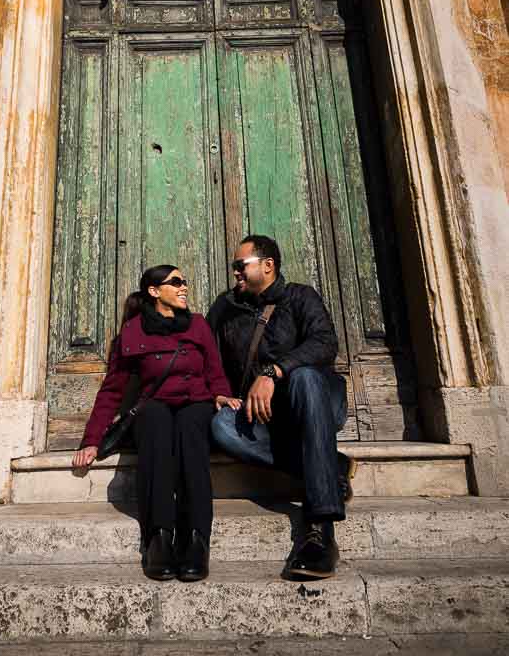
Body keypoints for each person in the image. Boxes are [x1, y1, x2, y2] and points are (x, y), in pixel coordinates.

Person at [73, 264, 239, 582]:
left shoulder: (199, 325)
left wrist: (221, 395)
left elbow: (215, 372)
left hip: (195, 404)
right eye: (175, 282)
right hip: (155, 406)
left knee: (192, 430)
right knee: (154, 424)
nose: (184, 287)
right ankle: (158, 537)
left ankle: (195, 539)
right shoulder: (133, 331)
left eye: (184, 282)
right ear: (154, 291)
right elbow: (112, 390)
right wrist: (92, 439)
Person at [208, 235, 355, 580]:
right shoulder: (225, 308)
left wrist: (274, 371)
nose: (235, 274)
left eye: (240, 266)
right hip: (265, 418)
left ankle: (320, 530)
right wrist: (217, 392)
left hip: (315, 402)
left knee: (304, 377)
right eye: (234, 268)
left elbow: (324, 343)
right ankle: (329, 465)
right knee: (221, 426)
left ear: (268, 265)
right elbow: (209, 359)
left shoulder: (301, 297)